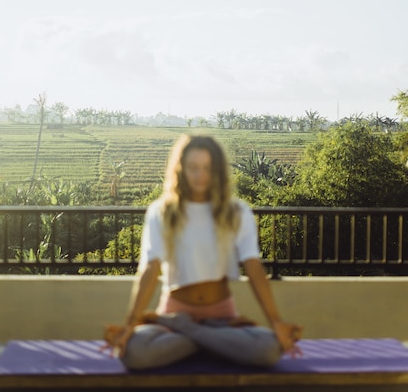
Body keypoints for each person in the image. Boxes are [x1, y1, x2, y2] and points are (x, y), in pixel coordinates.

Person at [104, 135, 302, 370]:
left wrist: (276, 322)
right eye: (193, 168)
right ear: (181, 170)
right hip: (172, 314)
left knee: (269, 349)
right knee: (135, 353)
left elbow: (254, 267)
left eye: (208, 168)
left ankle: (189, 331)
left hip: (221, 319)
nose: (201, 175)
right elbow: (150, 268)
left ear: (218, 171)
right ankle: (213, 343)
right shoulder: (162, 212)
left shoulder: (237, 212)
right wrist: (130, 324)